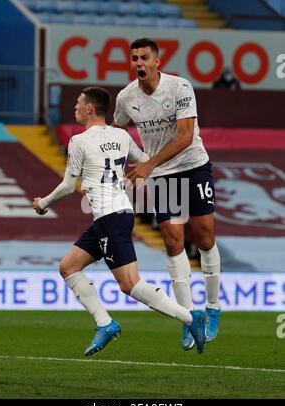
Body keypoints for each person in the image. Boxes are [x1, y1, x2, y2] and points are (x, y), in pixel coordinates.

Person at [32, 86, 206, 355]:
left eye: (79, 103)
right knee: (68, 267)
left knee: (130, 284)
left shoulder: (79, 141)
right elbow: (146, 161)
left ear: (90, 108)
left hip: (110, 218)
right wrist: (128, 178)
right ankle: (105, 323)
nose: (75, 108)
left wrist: (43, 203)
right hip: (116, 215)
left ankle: (189, 317)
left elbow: (68, 186)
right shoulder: (121, 136)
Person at [113, 38, 221, 351]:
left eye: (144, 57)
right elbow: (117, 128)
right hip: (162, 176)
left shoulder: (179, 88)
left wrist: (148, 163)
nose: (138, 63)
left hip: (193, 167)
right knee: (173, 242)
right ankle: (190, 318)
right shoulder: (126, 98)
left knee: (204, 239)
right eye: (134, 58)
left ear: (157, 61)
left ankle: (213, 307)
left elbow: (186, 137)